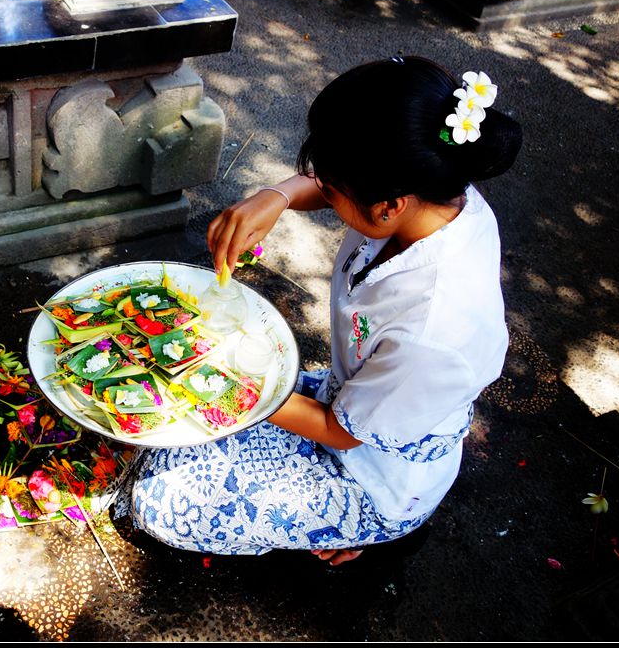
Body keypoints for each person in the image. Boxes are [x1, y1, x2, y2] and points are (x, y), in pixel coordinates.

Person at [128, 57, 523, 565]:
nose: (321, 190)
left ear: (389, 205)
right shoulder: (433, 187)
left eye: (331, 190)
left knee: (159, 501)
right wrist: (277, 196)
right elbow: (332, 184)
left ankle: (376, 528)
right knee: (163, 428)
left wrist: (224, 380)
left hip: (372, 468)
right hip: (353, 397)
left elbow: (341, 432)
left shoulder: (434, 328)